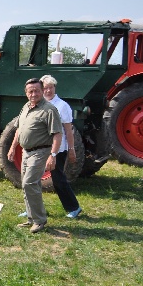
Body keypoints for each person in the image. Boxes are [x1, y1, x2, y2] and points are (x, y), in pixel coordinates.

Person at [7, 78, 62, 233]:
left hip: (41, 152)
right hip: (26, 152)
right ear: (26, 93)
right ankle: (31, 218)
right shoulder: (26, 107)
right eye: (30, 91)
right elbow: (19, 129)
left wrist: (53, 155)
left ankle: (39, 221)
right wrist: (12, 148)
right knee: (27, 184)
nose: (34, 94)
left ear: (42, 91)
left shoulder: (49, 110)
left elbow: (58, 134)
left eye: (37, 90)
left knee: (29, 183)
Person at [41, 75, 82, 218]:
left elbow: (68, 130)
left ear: (54, 88)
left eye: (50, 87)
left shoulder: (62, 106)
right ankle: (33, 209)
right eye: (45, 88)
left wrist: (71, 150)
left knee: (58, 179)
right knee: (32, 179)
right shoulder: (39, 104)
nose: (48, 91)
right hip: (41, 147)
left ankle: (74, 208)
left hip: (58, 149)